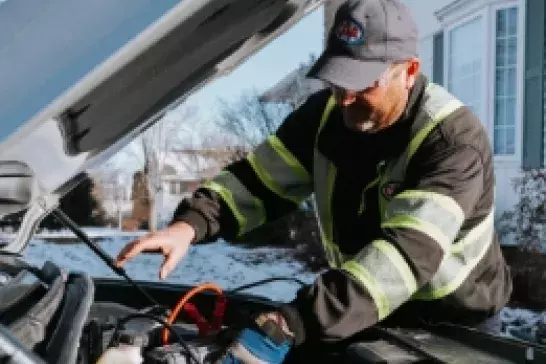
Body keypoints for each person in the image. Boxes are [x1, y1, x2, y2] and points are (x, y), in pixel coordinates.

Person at [115, 0, 513, 362]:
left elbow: (404, 258)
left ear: (409, 71)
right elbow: (257, 181)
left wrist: (295, 321)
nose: (344, 99)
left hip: (453, 324)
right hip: (358, 306)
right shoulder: (323, 117)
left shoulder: (451, 142)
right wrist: (190, 225)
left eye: (363, 84)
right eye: (339, 80)